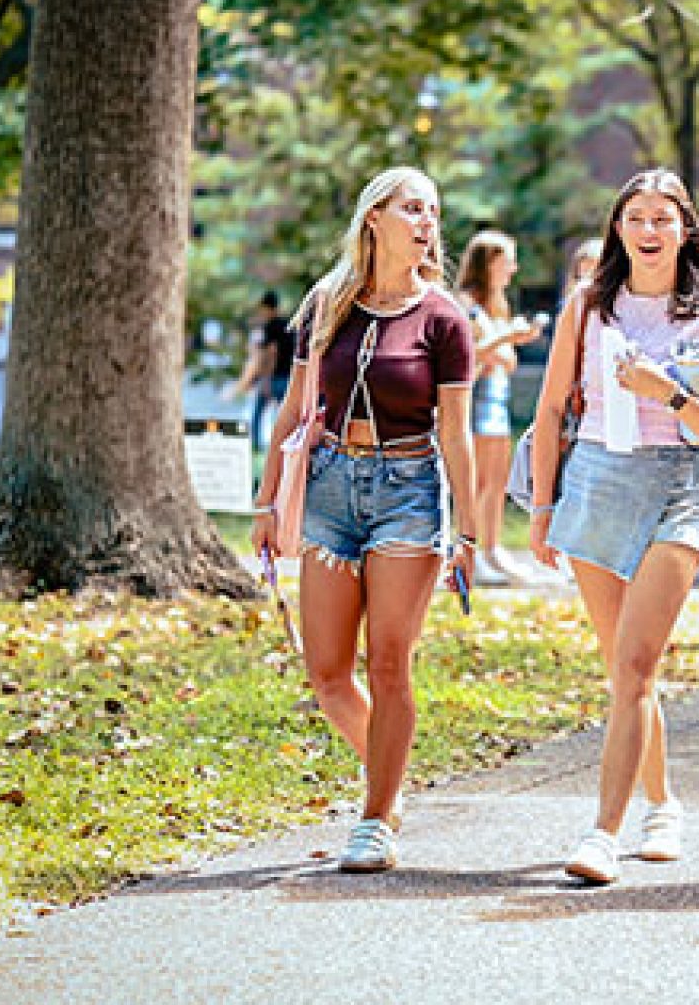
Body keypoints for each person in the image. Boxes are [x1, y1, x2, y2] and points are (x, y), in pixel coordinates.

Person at [251, 167, 477, 874]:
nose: (427, 221)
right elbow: (293, 410)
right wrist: (265, 503)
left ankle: (376, 818)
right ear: (374, 217)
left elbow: (458, 435)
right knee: (326, 671)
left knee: (388, 662)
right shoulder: (328, 304)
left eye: (433, 211)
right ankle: (391, 773)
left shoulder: (444, 319)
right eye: (413, 207)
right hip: (329, 491)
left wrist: (467, 532)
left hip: (409, 489)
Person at [528, 168, 699, 886]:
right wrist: (540, 508)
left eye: (663, 219)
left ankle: (602, 832)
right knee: (622, 667)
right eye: (636, 219)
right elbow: (552, 410)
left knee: (635, 666)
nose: (649, 232)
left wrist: (674, 394)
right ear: (617, 229)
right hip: (596, 480)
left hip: (677, 489)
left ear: (686, 229)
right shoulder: (588, 308)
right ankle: (663, 802)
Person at [454, 231, 542, 586]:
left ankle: (492, 550)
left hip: (497, 405)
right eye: (508, 260)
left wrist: (506, 345)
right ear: (488, 262)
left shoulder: (496, 306)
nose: (514, 268)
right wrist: (507, 340)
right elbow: (472, 356)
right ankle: (471, 554)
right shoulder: (465, 305)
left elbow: (506, 361)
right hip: (475, 407)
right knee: (476, 485)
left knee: (495, 485)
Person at [233, 291, 296, 453]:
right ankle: (282, 447)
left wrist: (266, 379)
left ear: (266, 308)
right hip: (289, 376)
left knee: (258, 412)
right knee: (284, 416)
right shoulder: (288, 323)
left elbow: (270, 353)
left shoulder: (271, 325)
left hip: (274, 377)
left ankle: (255, 445)